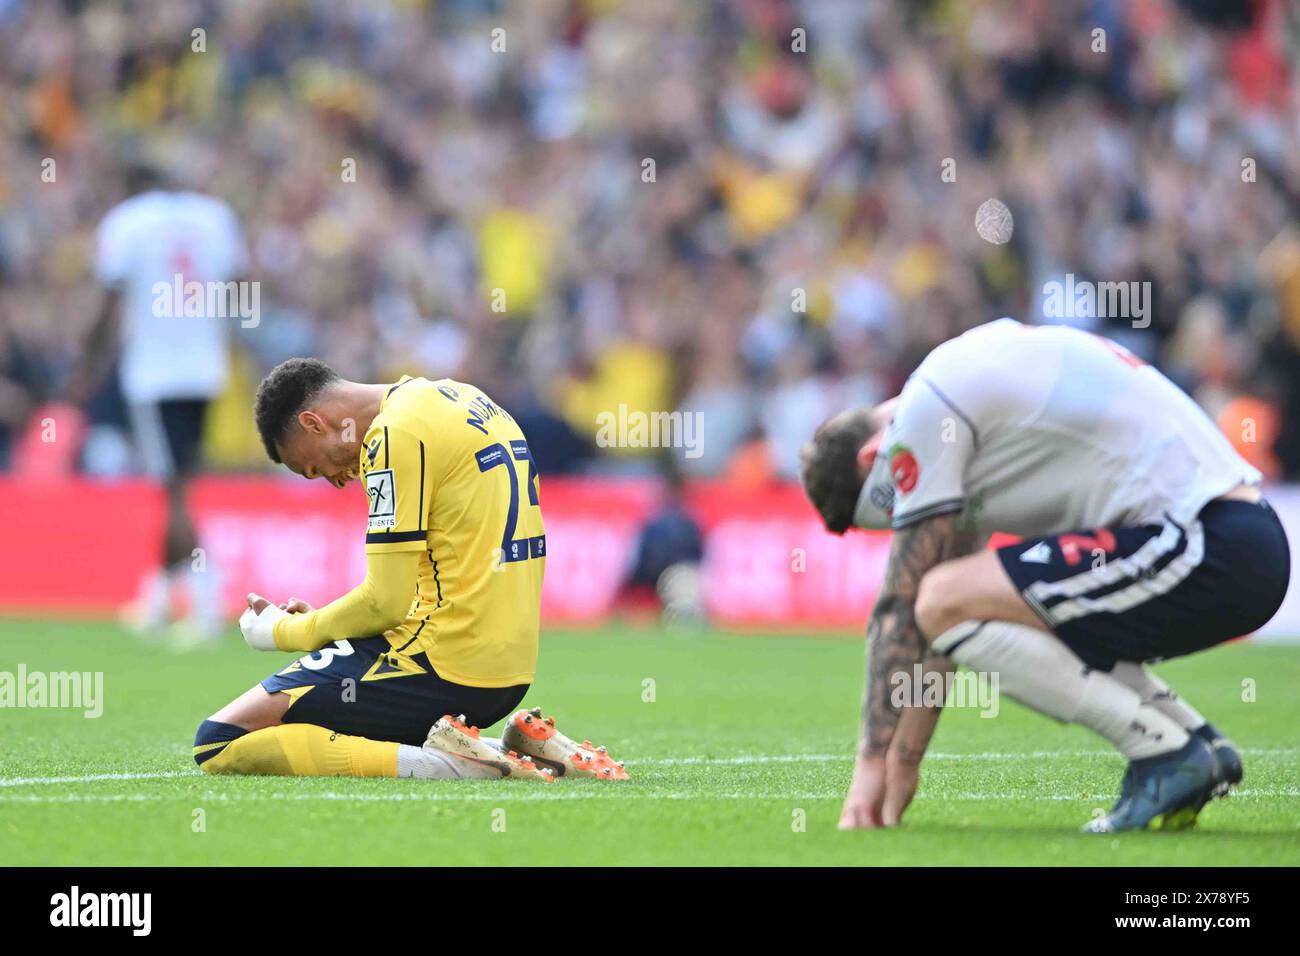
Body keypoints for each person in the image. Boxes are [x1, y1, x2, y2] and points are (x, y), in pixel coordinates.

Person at [800, 318, 1289, 832]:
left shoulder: (928, 409)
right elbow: (939, 617)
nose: (907, 513)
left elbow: (901, 604)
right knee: (965, 596)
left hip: (1205, 541)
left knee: (940, 595)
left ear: (873, 455)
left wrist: (870, 765)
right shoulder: (961, 391)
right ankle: (1195, 744)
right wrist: (903, 762)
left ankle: (1165, 751)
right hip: (1235, 536)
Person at [193, 359, 627, 781]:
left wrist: (284, 633)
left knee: (219, 740)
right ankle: (512, 749)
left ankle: (454, 765)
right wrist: (332, 626)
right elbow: (436, 574)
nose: (333, 479)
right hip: (509, 668)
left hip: (442, 666)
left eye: (313, 466)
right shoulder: (464, 398)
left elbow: (385, 602)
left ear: (313, 423)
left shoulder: (393, 435)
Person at [74, 164, 248, 641]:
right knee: (180, 485)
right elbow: (239, 288)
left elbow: (107, 303)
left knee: (173, 491)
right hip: (205, 369)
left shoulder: (127, 221)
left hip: (154, 372)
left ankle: (207, 594)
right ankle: (155, 597)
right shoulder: (215, 218)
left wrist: (84, 369)